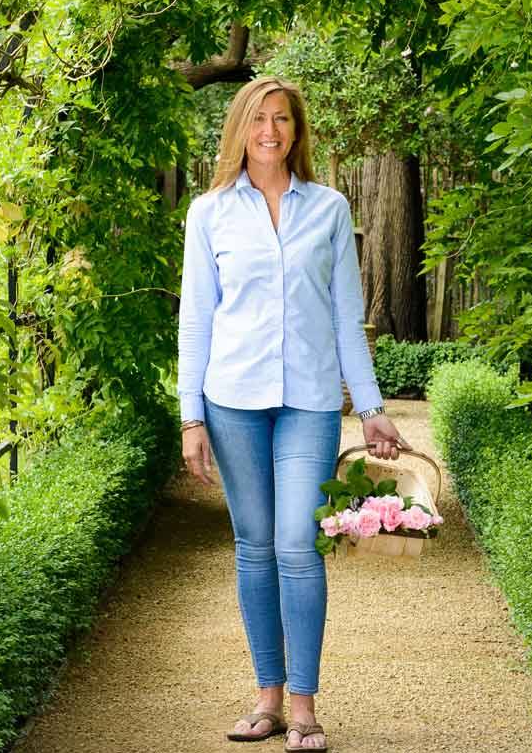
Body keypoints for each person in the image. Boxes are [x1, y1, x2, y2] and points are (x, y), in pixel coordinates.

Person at [178, 75, 406, 753]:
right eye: (258, 120)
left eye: (282, 120)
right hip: (231, 402)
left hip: (308, 401)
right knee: (253, 547)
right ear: (239, 129)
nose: (270, 131)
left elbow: (344, 316)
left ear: (298, 131)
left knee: (296, 547)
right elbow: (197, 320)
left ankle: (304, 707)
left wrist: (371, 408)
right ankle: (266, 698)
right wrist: (191, 417)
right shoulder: (209, 213)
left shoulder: (329, 209)